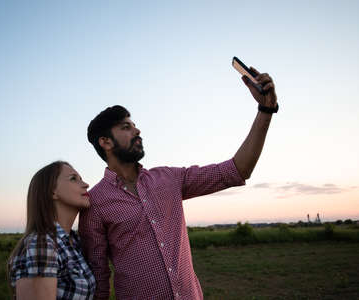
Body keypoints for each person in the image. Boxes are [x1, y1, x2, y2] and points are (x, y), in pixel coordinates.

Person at [79, 67, 278, 299]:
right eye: (126, 127)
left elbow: (236, 170)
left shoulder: (169, 179)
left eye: (134, 125)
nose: (137, 130)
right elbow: (99, 278)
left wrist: (265, 110)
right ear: (105, 142)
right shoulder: (95, 203)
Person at [8, 161, 96, 300]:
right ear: (52, 191)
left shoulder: (74, 241)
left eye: (81, 178)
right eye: (73, 179)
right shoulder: (41, 244)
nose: (86, 184)